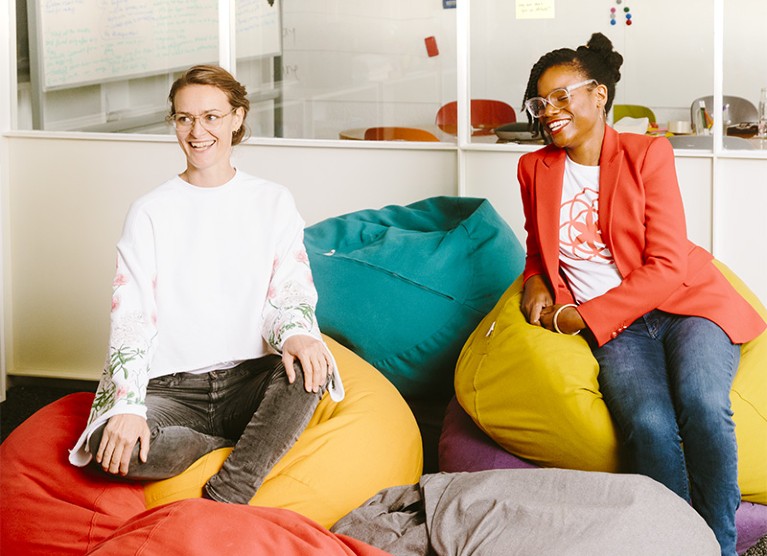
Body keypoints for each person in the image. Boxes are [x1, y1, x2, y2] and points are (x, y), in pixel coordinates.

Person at [517, 33, 765, 556]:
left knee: (701, 401)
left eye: (564, 96)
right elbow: (537, 246)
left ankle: (719, 544)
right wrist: (535, 278)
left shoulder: (648, 152)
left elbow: (669, 265)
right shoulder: (534, 168)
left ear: (599, 94)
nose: (550, 112)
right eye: (542, 102)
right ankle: (677, 544)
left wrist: (581, 319)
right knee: (649, 425)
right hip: (622, 332)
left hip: (687, 308)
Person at [69, 64, 344, 504]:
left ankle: (229, 491)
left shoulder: (272, 200)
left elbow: (289, 289)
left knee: (313, 367)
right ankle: (216, 445)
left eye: (211, 117)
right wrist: (126, 406)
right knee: (109, 446)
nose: (197, 131)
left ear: (237, 118)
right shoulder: (150, 210)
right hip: (170, 390)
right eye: (184, 118)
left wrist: (295, 333)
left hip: (246, 380)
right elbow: (132, 314)